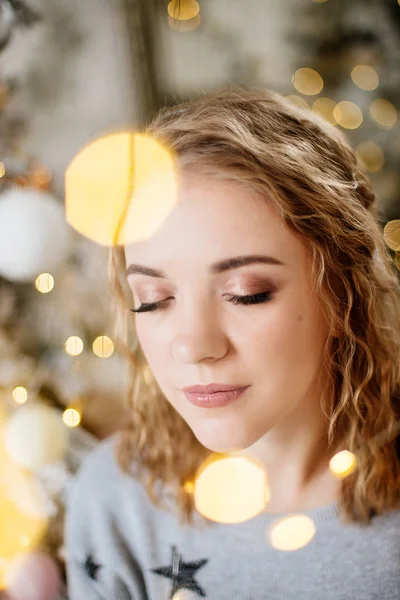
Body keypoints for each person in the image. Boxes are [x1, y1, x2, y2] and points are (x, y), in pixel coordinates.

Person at [65, 87, 400, 600]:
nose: (194, 346)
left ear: (341, 294)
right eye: (154, 299)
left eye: (248, 294)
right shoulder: (117, 502)